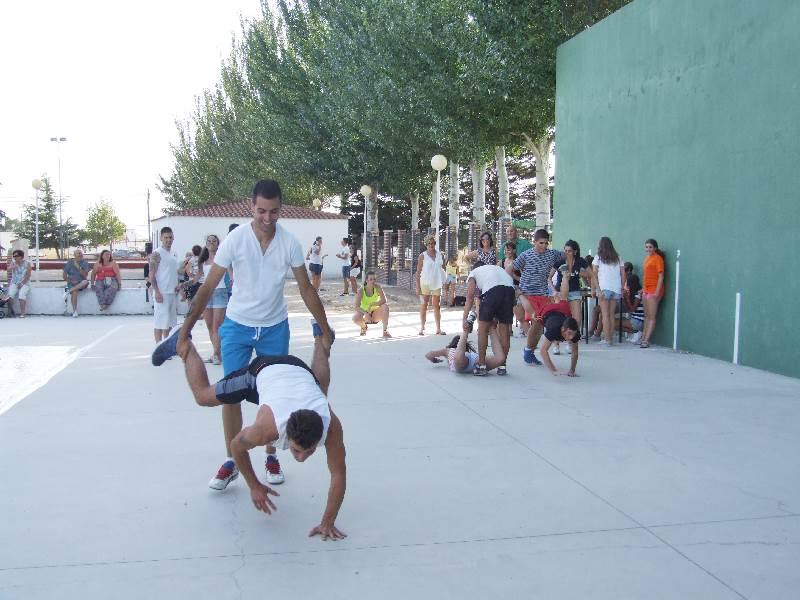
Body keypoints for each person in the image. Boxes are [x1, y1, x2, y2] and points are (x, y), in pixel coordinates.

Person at [163, 179, 334, 492]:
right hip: (238, 326)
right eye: (261, 211)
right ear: (250, 206)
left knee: (275, 397)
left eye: (274, 211)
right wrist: (186, 330)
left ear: (280, 208)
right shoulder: (235, 241)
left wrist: (324, 328)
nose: (267, 218)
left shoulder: (290, 242)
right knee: (231, 395)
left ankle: (271, 456)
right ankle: (232, 459)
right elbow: (208, 287)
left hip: (274, 327)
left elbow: (306, 289)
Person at [152, 320, 347, 540]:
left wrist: (327, 522)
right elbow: (237, 446)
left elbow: (338, 474)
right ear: (285, 433)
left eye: (308, 451)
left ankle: (321, 336)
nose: (301, 458)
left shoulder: (331, 427)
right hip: (262, 372)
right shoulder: (266, 430)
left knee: (319, 389)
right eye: (296, 450)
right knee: (203, 396)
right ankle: (184, 345)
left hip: (299, 369)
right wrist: (254, 485)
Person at [513, 229, 564, 365]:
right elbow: (510, 268)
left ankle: (529, 350)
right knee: (536, 322)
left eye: (546, 243)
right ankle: (528, 351)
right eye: (541, 243)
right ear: (534, 242)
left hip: (542, 295)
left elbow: (567, 255)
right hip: (527, 294)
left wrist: (572, 257)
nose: (544, 246)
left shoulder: (552, 254)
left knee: (539, 326)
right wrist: (513, 286)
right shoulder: (526, 255)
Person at [461, 264, 514, 376]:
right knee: (504, 330)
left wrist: (464, 318)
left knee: (482, 330)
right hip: (510, 290)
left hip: (493, 291)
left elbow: (470, 297)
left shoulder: (473, 273)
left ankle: (481, 365)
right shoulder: (495, 269)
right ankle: (502, 366)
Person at [425, 322, 506, 374]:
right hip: (474, 360)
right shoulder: (468, 354)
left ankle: (465, 331)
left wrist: (434, 360)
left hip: (463, 362)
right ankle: (492, 328)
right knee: (500, 359)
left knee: (458, 359)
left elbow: (428, 355)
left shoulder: (448, 350)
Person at [552, 240, 589, 347]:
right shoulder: (560, 261)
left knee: (577, 319)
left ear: (575, 252)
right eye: (565, 250)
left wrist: (595, 287)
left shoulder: (580, 261)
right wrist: (554, 291)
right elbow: (549, 278)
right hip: (561, 291)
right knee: (559, 318)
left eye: (570, 251)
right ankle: (556, 344)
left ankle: (570, 341)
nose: (567, 253)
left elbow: (590, 273)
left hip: (575, 291)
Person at [198, 234, 227, 365]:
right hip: (207, 293)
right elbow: (198, 277)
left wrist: (233, 279)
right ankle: (217, 353)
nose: (211, 243)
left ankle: (216, 354)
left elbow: (231, 272)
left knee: (217, 326)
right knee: (210, 326)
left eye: (214, 241)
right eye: (209, 241)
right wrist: (184, 285)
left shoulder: (222, 257)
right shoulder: (202, 260)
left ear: (217, 243)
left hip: (220, 292)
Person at [148, 228, 181, 342]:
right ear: (161, 238)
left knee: (171, 323)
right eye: (166, 237)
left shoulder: (173, 254)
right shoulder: (157, 254)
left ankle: (167, 346)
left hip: (172, 292)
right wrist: (157, 292)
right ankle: (158, 346)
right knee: (160, 323)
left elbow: (173, 272)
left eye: (170, 237)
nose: (168, 240)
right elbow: (151, 275)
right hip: (162, 293)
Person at [533, 300, 581, 377]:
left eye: (573, 334)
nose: (571, 337)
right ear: (562, 329)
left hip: (561, 311)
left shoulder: (575, 333)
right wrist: (553, 370)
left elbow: (575, 352)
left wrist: (572, 370)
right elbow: (543, 351)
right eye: (569, 333)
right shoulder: (554, 329)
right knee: (535, 317)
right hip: (546, 312)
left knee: (563, 305)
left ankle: (557, 298)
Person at [591, 236, 625, 346]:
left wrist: (594, 289)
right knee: (611, 314)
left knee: (604, 314)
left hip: (604, 288)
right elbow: (623, 273)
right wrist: (622, 287)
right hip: (616, 288)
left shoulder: (598, 257)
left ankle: (607, 339)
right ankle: (610, 338)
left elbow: (594, 274)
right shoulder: (618, 257)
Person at [416, 235, 446, 336]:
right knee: (424, 304)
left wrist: (445, 282)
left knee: (436, 306)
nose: (431, 245)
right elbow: (418, 272)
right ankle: (422, 327)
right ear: (426, 245)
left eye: (433, 243)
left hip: (437, 282)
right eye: (429, 243)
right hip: (425, 282)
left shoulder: (440, 255)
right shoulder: (422, 256)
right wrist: (417, 286)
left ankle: (438, 328)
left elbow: (443, 270)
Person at [640, 238, 666, 349]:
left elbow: (661, 276)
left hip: (654, 290)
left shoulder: (658, 259)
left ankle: (646, 340)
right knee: (646, 316)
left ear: (655, 248)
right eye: (647, 247)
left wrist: (656, 292)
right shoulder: (647, 259)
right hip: (646, 290)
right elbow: (646, 275)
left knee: (651, 317)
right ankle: (643, 338)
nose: (648, 249)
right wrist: (643, 289)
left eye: (650, 247)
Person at [352, 270, 391, 337]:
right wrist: (366, 313)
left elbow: (384, 300)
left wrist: (372, 304)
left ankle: (385, 331)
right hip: (365, 314)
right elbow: (356, 306)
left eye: (374, 279)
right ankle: (364, 327)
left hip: (376, 314)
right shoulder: (361, 290)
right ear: (366, 280)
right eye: (371, 279)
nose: (373, 281)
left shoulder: (378, 287)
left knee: (385, 306)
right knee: (355, 318)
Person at [62, 248, 90, 317]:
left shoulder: (85, 263)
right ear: (74, 255)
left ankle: (68, 291)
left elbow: (85, 275)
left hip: (82, 282)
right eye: (78, 253)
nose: (80, 255)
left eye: (81, 253)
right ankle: (75, 311)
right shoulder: (70, 263)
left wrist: (78, 267)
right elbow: (64, 275)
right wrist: (70, 281)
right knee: (75, 292)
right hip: (72, 282)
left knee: (85, 281)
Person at [7, 250, 32, 318]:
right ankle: (10, 312)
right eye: (14, 256)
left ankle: (22, 313)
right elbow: (8, 269)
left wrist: (22, 283)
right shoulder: (13, 263)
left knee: (21, 295)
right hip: (14, 283)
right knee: (10, 295)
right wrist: (12, 267)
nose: (15, 257)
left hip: (25, 283)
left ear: (21, 256)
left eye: (16, 256)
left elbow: (28, 275)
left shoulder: (27, 263)